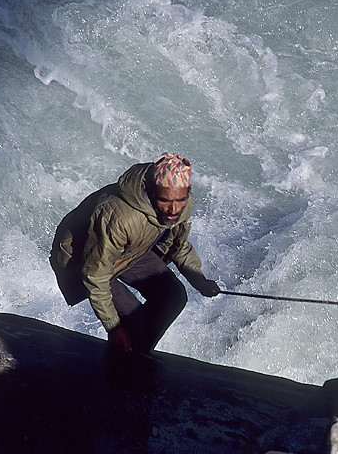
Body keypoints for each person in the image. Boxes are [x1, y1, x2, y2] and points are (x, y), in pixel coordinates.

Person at [50, 152, 220, 382]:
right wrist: (114, 327)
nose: (173, 209)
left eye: (180, 200)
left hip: (131, 250)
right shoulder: (118, 216)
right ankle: (119, 368)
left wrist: (198, 279)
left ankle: (135, 354)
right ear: (151, 192)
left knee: (173, 295)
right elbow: (95, 274)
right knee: (134, 319)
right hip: (83, 259)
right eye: (165, 201)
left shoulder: (179, 204)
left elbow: (178, 243)